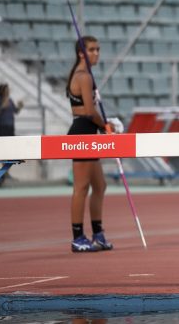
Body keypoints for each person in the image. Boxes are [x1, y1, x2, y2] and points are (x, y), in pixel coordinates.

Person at [66, 36, 114, 252]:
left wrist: (104, 125)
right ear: (81, 53)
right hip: (82, 133)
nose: (96, 53)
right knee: (81, 187)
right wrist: (105, 126)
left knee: (100, 185)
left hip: (89, 132)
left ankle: (98, 234)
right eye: (92, 49)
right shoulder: (83, 76)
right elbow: (88, 111)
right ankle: (78, 237)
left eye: (98, 49)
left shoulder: (84, 75)